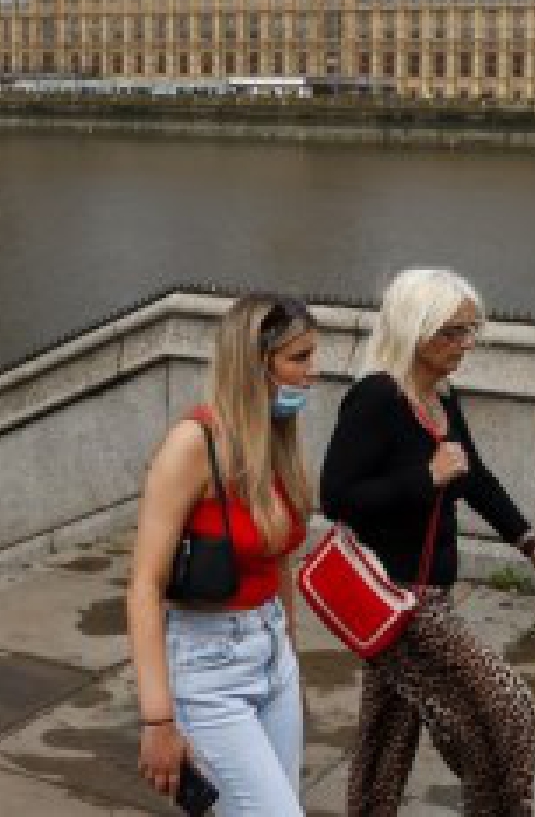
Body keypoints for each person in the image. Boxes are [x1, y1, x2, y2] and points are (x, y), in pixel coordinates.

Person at [320, 268, 535, 816]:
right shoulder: (375, 398)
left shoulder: (441, 396)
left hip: (428, 592)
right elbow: (337, 498)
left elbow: (477, 480)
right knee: (506, 718)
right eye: (454, 332)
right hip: (394, 597)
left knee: (385, 739)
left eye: (470, 331)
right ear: (417, 329)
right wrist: (426, 477)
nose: (465, 344)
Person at [128, 293, 318, 814]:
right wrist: (158, 720)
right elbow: (145, 584)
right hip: (209, 669)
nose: (312, 373)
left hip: (272, 653)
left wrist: (292, 663)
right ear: (256, 364)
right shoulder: (193, 445)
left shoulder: (275, 441)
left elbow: (278, 562)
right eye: (298, 359)